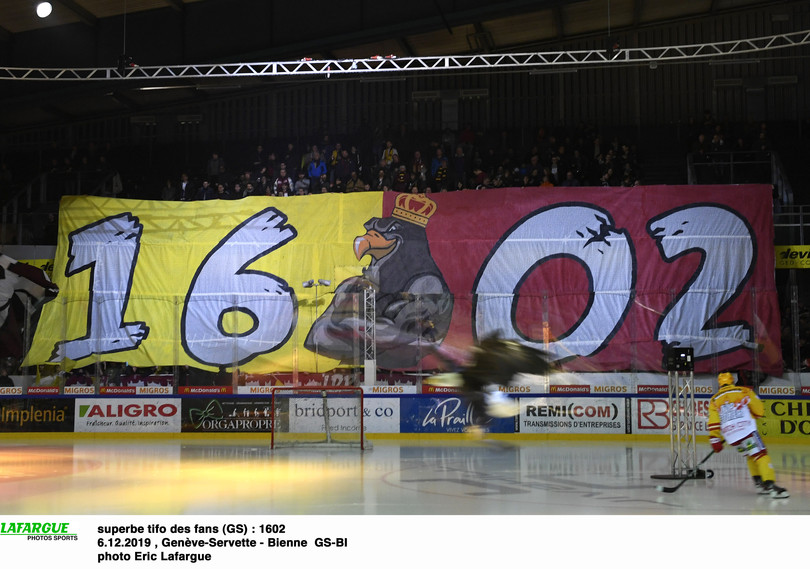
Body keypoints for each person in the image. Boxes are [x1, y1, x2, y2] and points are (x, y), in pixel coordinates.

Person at [708, 372, 789, 499]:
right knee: (761, 455)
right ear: (732, 381)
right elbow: (759, 409)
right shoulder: (744, 391)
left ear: (719, 385)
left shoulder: (714, 400)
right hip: (746, 431)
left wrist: (715, 439)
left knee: (751, 456)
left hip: (732, 437)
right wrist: (754, 415)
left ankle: (759, 484)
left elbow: (713, 421)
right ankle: (770, 485)